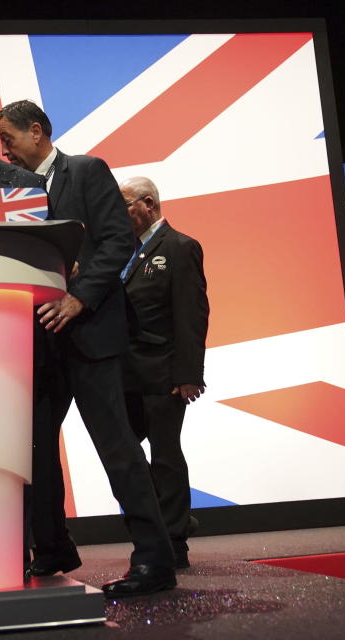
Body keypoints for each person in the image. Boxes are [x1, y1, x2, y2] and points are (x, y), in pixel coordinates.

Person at [0, 100, 176, 597]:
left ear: (37, 132)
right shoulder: (11, 191)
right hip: (41, 341)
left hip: (91, 335)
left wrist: (78, 297)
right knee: (32, 451)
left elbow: (119, 243)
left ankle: (156, 559)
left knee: (118, 450)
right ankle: (52, 548)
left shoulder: (88, 171)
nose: (3, 148)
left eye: (8, 137)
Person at [119, 177, 209, 570]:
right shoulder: (123, 251)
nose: (120, 214)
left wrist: (189, 374)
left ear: (149, 204)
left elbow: (192, 315)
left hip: (163, 374)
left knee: (165, 456)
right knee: (125, 457)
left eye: (125, 206)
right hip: (124, 375)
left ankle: (175, 541)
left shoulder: (180, 247)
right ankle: (162, 524)